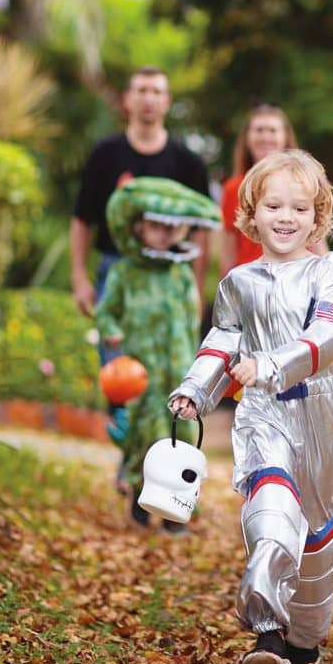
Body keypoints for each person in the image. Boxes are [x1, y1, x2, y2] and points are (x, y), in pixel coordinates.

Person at [169, 150, 333, 664]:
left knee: (318, 542)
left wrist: (269, 363)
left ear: (318, 217)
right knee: (270, 512)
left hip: (321, 418)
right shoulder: (237, 283)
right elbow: (222, 344)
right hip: (264, 417)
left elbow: (329, 336)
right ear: (252, 213)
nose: (286, 217)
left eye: (299, 207)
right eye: (274, 205)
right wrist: (195, 391)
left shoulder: (328, 275)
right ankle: (265, 627)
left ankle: (304, 638)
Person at [94, 177, 221, 529]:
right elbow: (104, 312)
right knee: (145, 432)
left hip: (179, 369)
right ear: (137, 228)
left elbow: (191, 315)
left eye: (171, 228)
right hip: (140, 370)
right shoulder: (125, 272)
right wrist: (112, 332)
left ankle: (177, 507)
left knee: (181, 435)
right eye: (155, 227)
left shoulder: (180, 273)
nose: (164, 235)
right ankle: (139, 492)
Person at [71, 66, 211, 325]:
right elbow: (82, 218)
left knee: (170, 363)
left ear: (167, 102)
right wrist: (79, 277)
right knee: (118, 362)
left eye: (157, 92)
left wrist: (197, 289)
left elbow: (200, 231)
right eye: (142, 91)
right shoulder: (104, 154)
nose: (149, 99)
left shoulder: (188, 161)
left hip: (171, 274)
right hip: (115, 269)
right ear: (127, 99)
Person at [219, 105, 298, 275]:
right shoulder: (234, 189)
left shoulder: (302, 185)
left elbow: (317, 243)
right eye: (259, 130)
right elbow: (228, 254)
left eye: (272, 130)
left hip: (295, 281)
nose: (265, 137)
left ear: (285, 137)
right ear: (247, 138)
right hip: (250, 285)